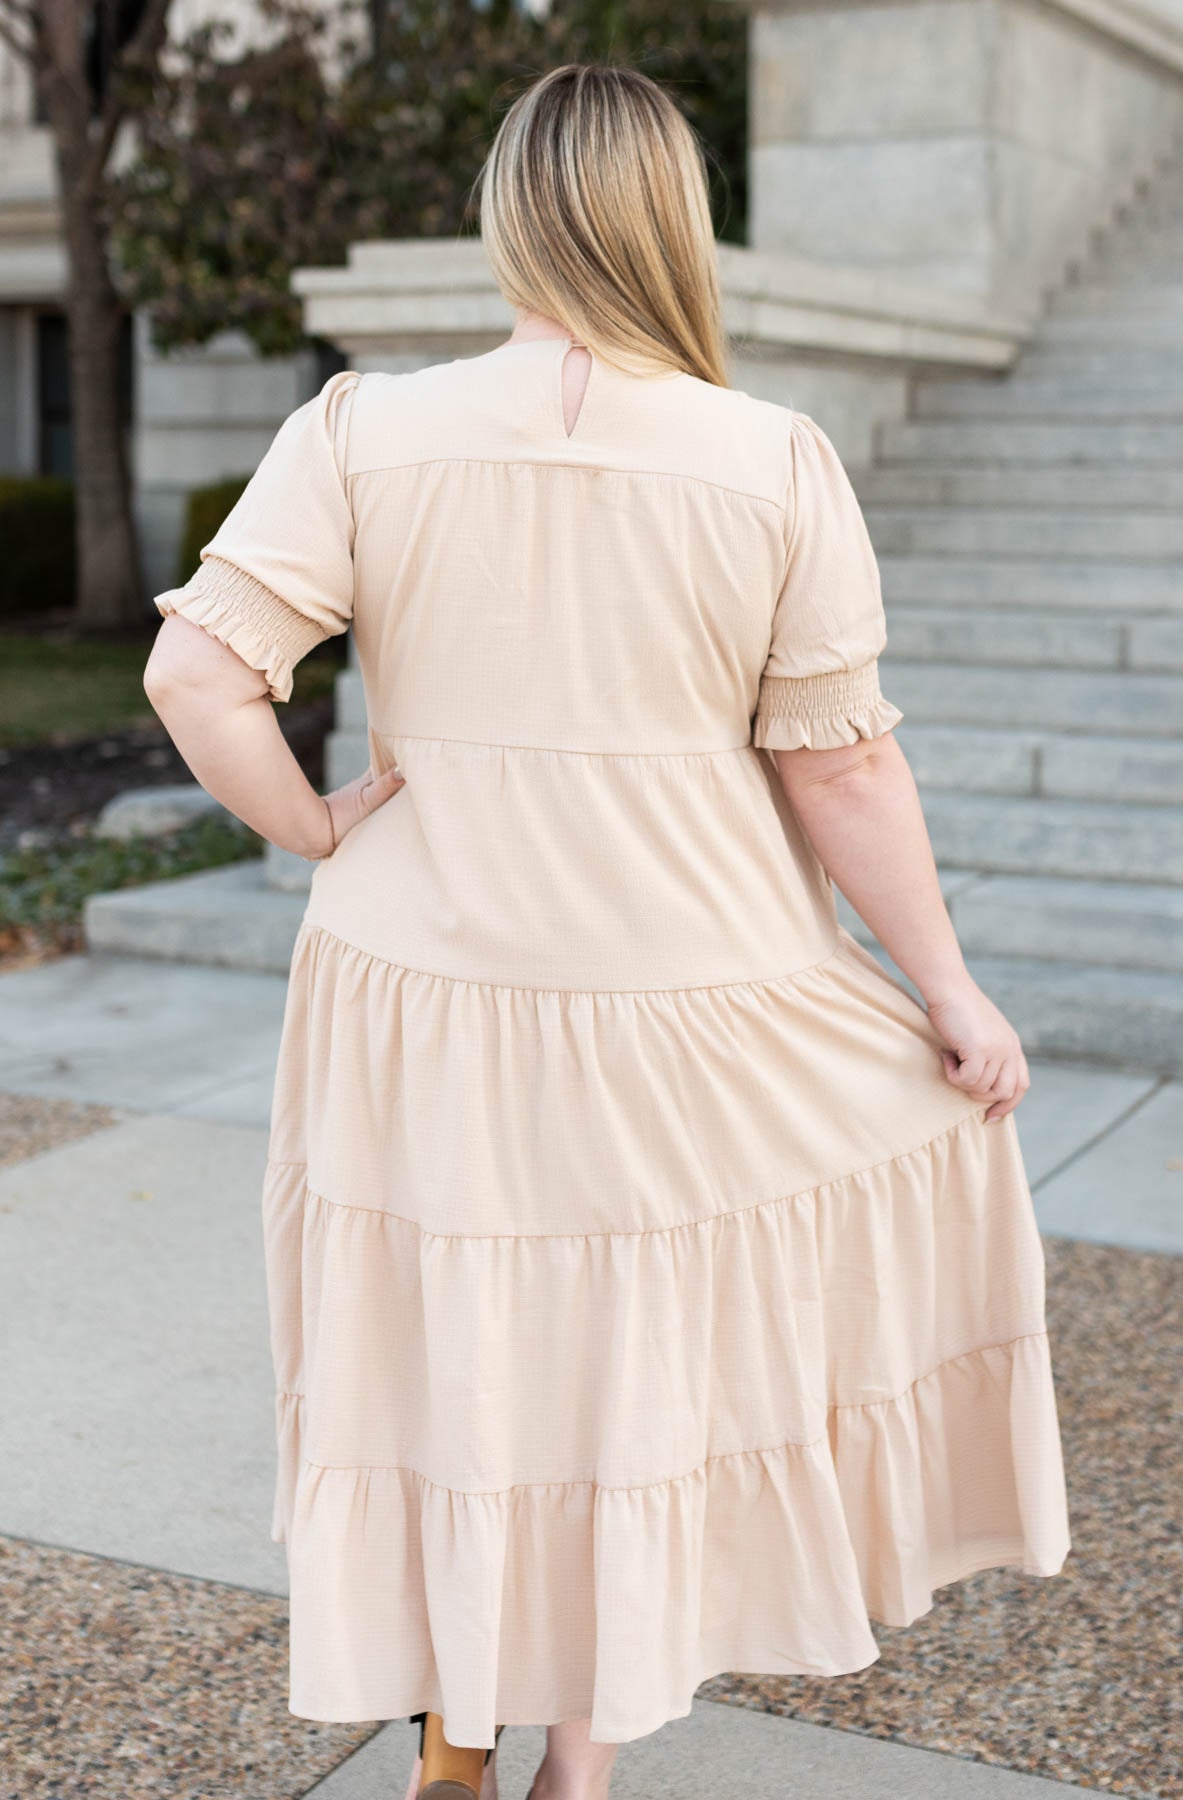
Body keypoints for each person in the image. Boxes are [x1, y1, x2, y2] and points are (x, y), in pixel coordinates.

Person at [143, 60, 1071, 1800]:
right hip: (684, 991)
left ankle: (467, 1703)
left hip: (417, 986)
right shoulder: (767, 460)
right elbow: (844, 767)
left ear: (509, 216)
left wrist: (314, 825)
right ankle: (578, 1755)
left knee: (458, 1343)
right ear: (673, 227)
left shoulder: (358, 428)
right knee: (635, 1357)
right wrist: (948, 996)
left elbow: (196, 672)